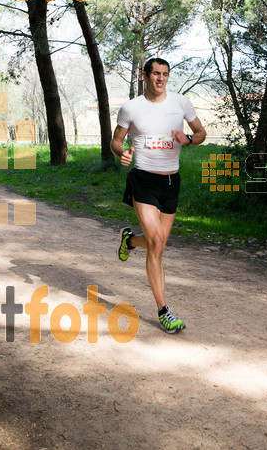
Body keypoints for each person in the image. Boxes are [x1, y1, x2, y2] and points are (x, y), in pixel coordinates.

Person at [111, 58, 206, 334]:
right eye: (155, 74)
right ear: (145, 75)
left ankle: (129, 240)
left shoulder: (181, 104)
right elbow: (115, 141)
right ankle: (164, 310)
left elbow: (201, 133)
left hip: (170, 181)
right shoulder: (131, 108)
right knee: (156, 240)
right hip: (143, 178)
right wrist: (122, 152)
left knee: (159, 244)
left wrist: (188, 139)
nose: (160, 79)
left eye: (165, 74)